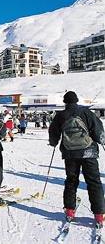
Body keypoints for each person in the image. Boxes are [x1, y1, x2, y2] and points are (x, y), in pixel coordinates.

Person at [49, 91, 105, 227]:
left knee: (71, 180)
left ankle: (69, 211)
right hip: (89, 152)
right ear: (76, 100)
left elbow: (53, 132)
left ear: (65, 102)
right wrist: (102, 141)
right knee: (94, 182)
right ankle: (99, 215)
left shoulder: (60, 115)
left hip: (70, 154)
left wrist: (54, 142)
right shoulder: (86, 112)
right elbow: (97, 129)